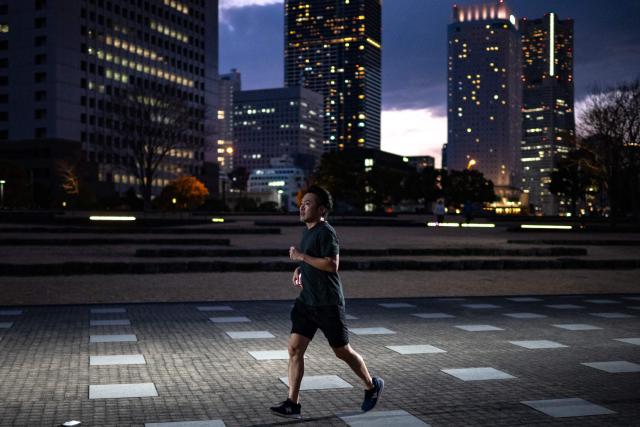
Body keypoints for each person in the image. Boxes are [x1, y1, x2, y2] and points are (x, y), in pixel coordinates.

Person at [270, 185, 384, 419]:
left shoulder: (326, 231)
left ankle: (372, 386)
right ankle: (293, 402)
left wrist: (301, 257)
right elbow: (315, 258)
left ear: (321, 210)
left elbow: (332, 264)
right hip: (307, 303)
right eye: (302, 202)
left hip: (328, 303)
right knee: (294, 349)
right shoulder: (309, 231)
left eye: (308, 203)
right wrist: (300, 267)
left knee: (342, 352)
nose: (302, 206)